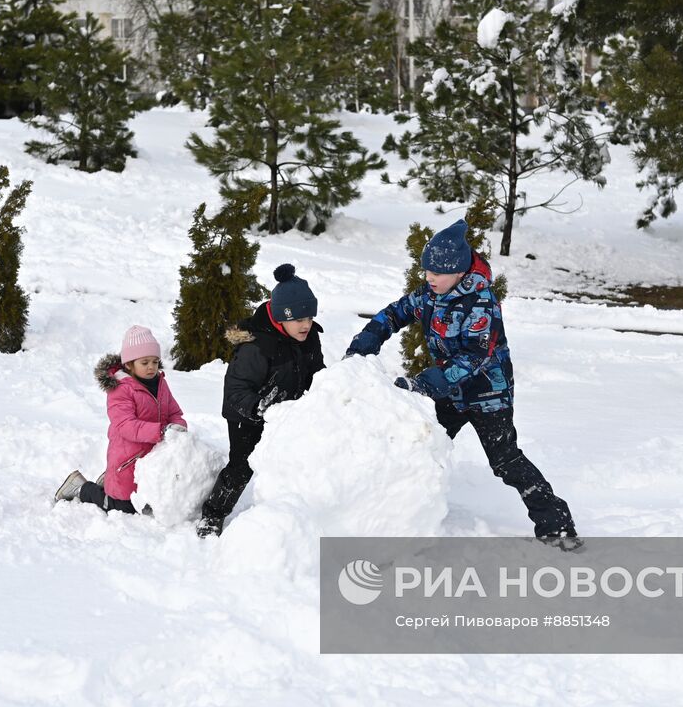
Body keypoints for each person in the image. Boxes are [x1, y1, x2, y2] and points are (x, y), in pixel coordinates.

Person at [346, 220, 583, 551]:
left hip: (489, 394)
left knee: (506, 461)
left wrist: (425, 384)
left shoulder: (481, 302)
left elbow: (475, 356)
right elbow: (394, 313)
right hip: (451, 395)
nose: (429, 277)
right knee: (421, 446)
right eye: (426, 270)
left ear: (458, 271)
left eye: (436, 273)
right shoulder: (430, 294)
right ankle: (403, 514)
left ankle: (558, 527)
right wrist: (366, 341)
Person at [197, 264, 325, 537]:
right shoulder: (256, 347)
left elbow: (316, 372)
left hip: (287, 411)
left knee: (293, 463)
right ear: (281, 317)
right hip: (247, 417)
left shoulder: (309, 336)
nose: (306, 325)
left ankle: (289, 516)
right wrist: (260, 408)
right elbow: (235, 391)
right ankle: (213, 514)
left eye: (310, 317)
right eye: (299, 319)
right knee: (242, 467)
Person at [55, 325, 187, 514]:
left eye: (155, 361)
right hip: (128, 459)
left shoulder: (160, 383)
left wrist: (178, 427)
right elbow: (126, 425)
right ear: (129, 364)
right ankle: (81, 488)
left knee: (153, 500)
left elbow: (175, 413)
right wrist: (160, 431)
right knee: (124, 507)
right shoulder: (120, 389)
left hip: (153, 459)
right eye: (145, 362)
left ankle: (108, 480)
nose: (151, 367)